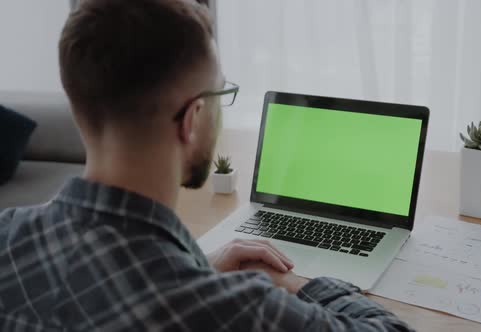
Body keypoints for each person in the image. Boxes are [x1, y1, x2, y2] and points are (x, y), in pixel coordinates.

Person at [0, 0, 414, 331]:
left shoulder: (7, 233)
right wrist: (294, 283)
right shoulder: (234, 308)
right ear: (193, 118)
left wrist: (197, 263)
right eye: (220, 95)